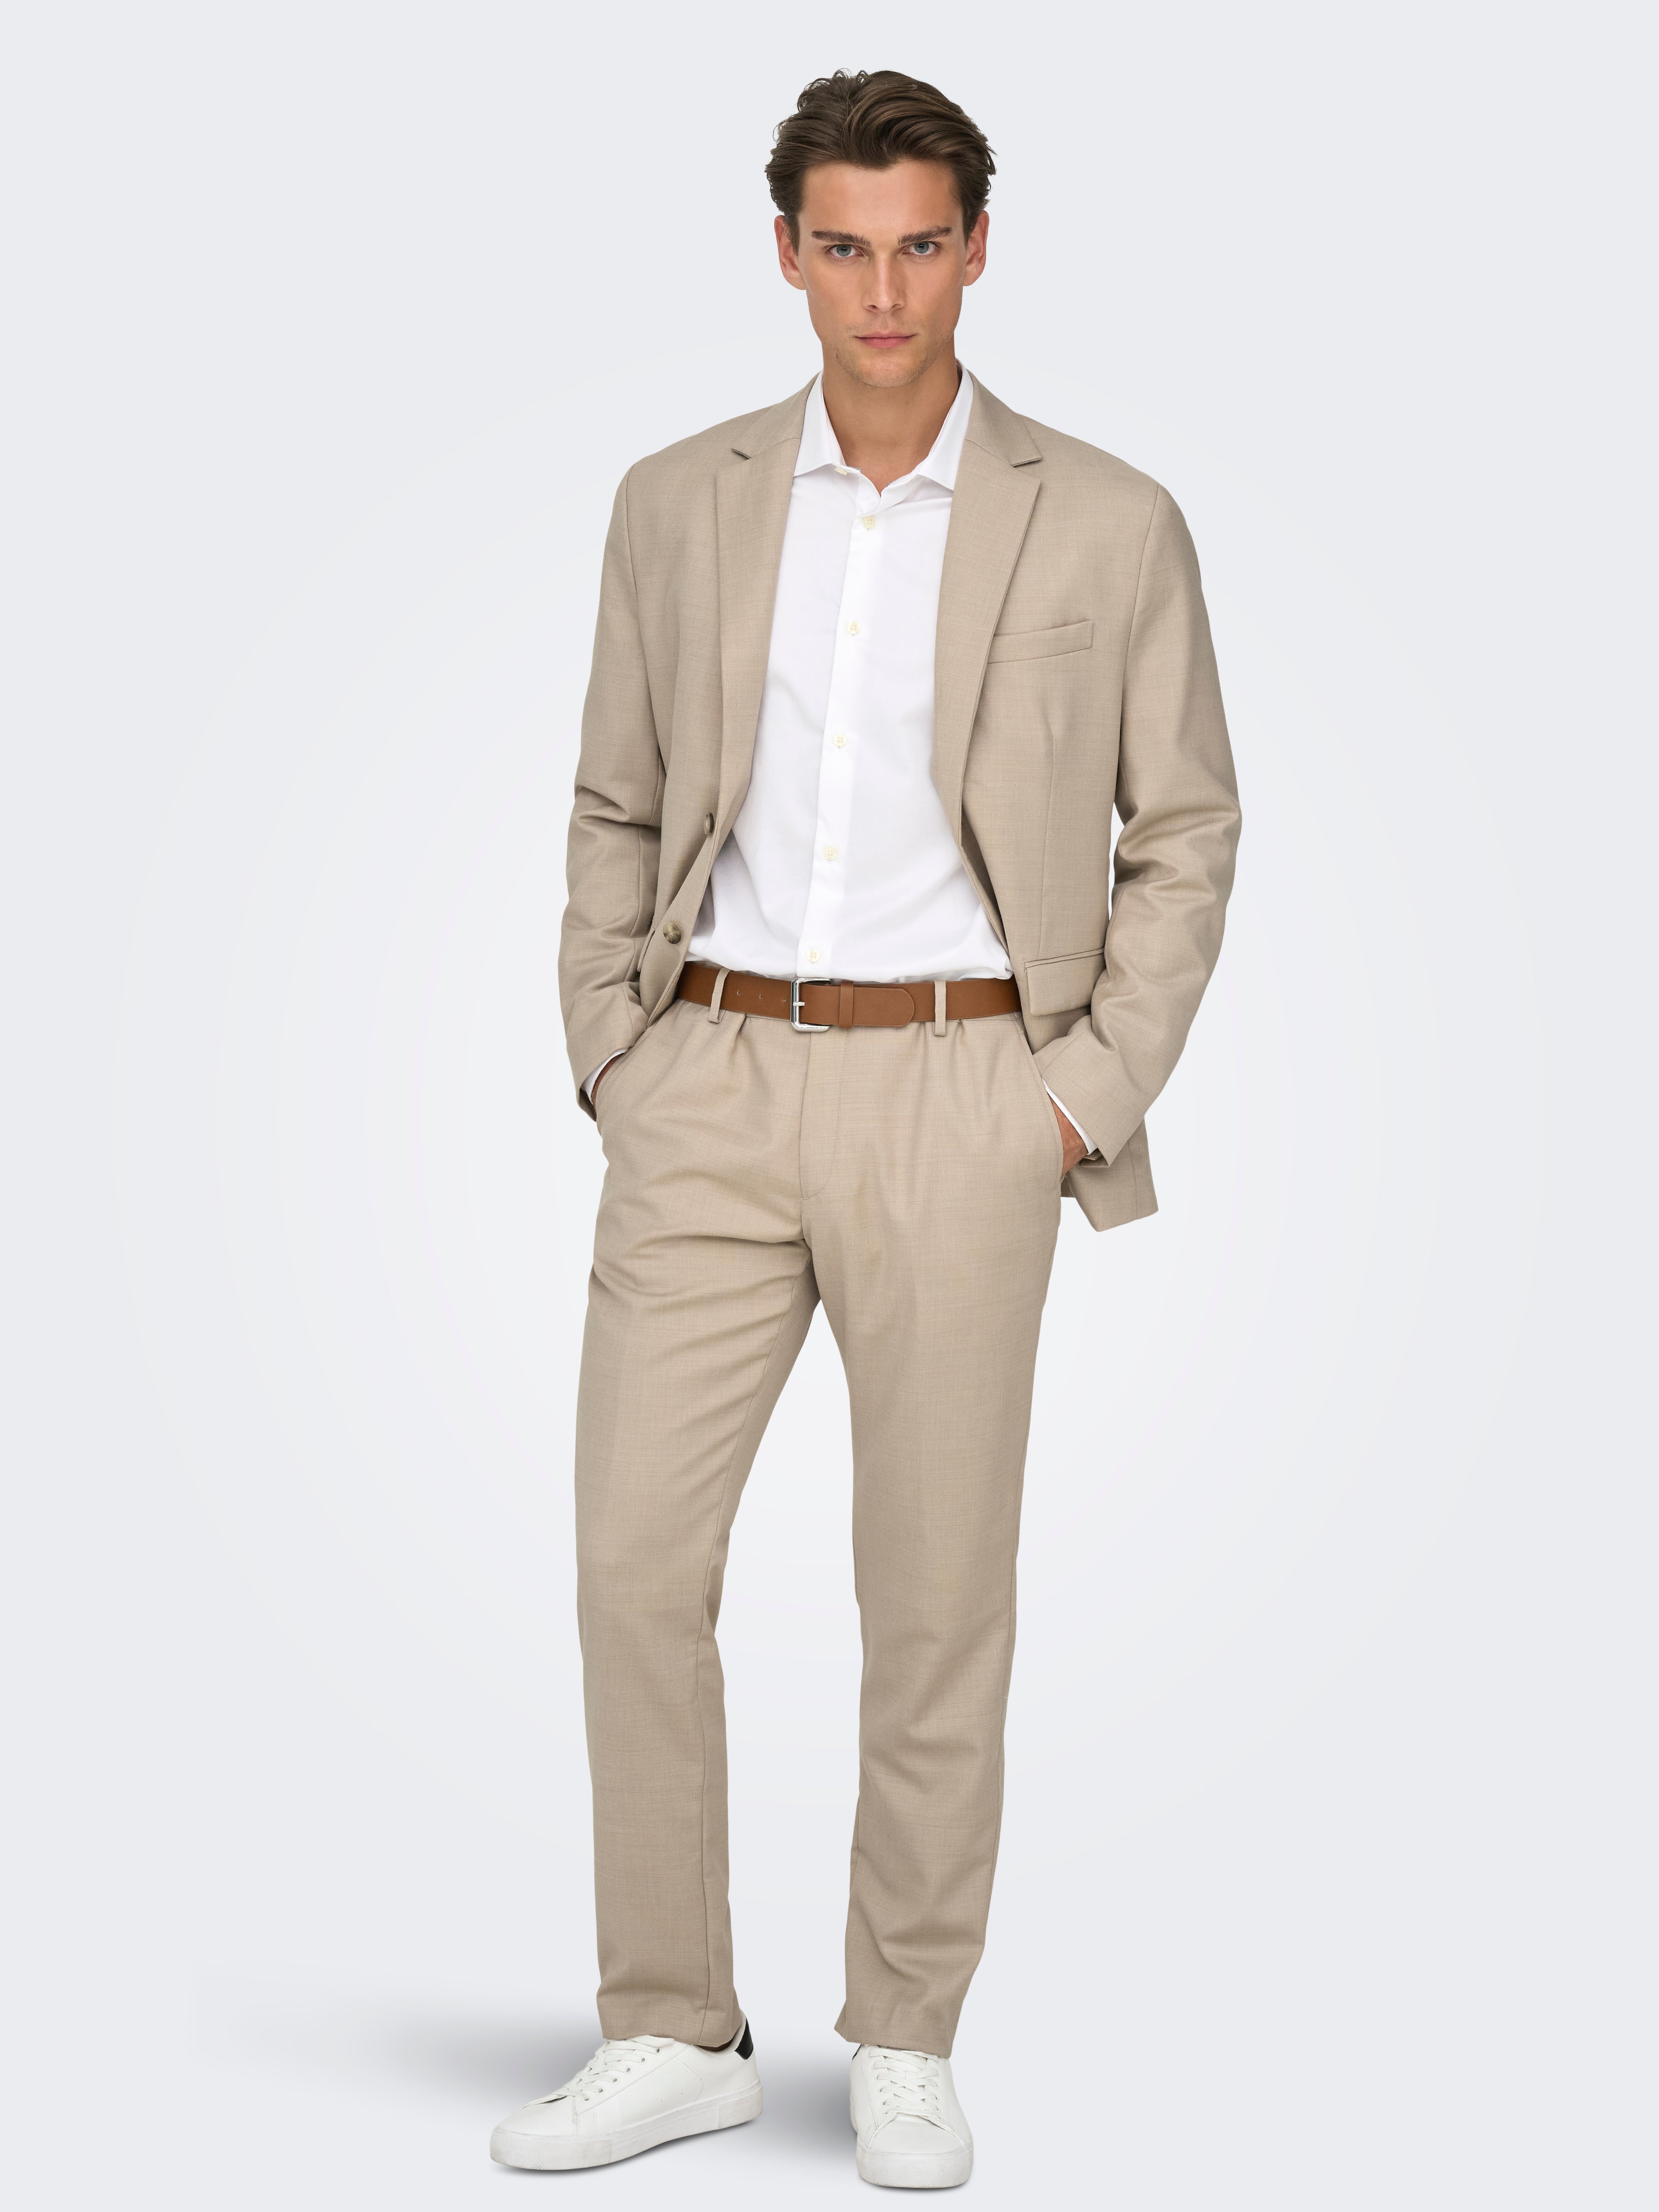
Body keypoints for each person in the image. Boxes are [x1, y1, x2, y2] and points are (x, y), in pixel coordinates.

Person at [491, 68, 1240, 2189]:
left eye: (920, 245)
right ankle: (671, 2022)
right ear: (788, 254)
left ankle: (902, 2029)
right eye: (844, 246)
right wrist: (613, 1048)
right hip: (709, 1080)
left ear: (977, 249)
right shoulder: (680, 498)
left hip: (967, 1089)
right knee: (632, 1563)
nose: (883, 291)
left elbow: (1185, 826)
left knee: (930, 1595)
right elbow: (616, 791)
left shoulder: (1108, 518)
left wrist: (1074, 1096)